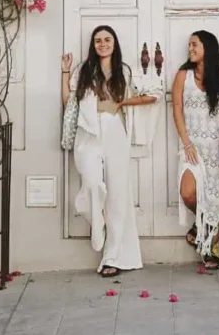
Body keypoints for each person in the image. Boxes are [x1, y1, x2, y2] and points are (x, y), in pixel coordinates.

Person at [61, 26, 157, 278]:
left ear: (114, 43)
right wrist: (64, 72)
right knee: (92, 183)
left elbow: (152, 95)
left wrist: (123, 102)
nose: (103, 44)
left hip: (114, 130)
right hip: (88, 132)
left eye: (107, 40)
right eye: (98, 41)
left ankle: (113, 256)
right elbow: (68, 102)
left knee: (117, 194)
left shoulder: (124, 70)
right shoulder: (84, 70)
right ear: (93, 45)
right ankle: (97, 223)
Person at [172, 30, 219, 265]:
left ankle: (210, 251)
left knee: (214, 197)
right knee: (188, 192)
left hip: (215, 150)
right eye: (189, 44)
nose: (190, 48)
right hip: (192, 148)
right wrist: (186, 142)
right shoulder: (183, 76)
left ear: (207, 47)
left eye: (194, 44)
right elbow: (176, 110)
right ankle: (205, 225)